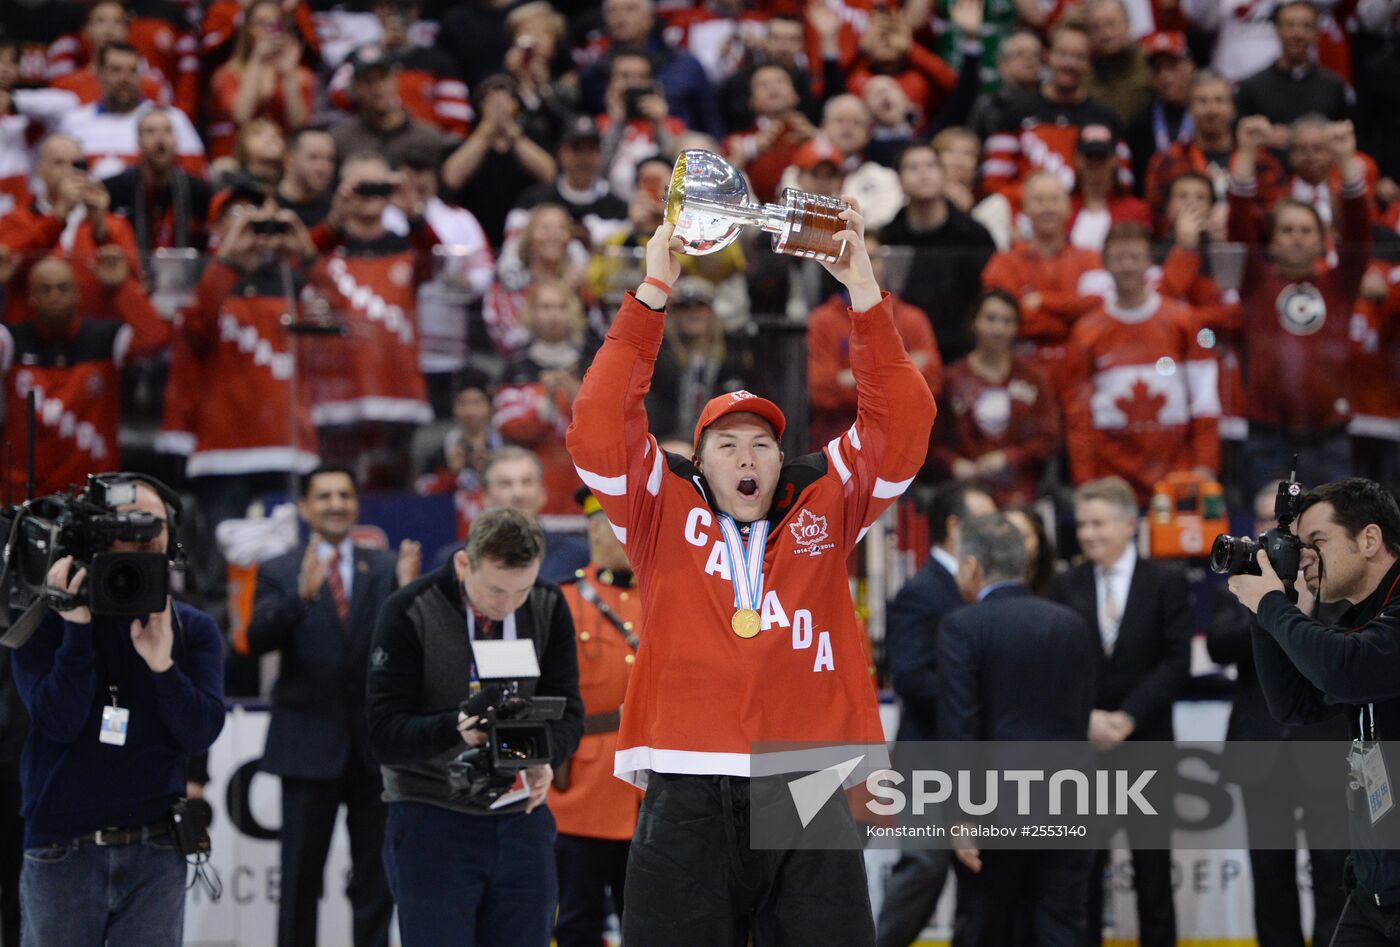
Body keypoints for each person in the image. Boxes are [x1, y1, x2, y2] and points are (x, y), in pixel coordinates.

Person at [566, 196, 935, 942]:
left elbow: (903, 423)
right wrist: (651, 295)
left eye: (762, 443)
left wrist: (862, 287)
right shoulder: (658, 510)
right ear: (698, 462)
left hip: (806, 782)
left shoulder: (825, 506)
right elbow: (600, 425)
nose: (746, 455)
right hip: (685, 778)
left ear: (783, 456)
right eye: (726, 443)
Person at [13, 476, 224, 946]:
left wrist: (163, 667)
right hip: (61, 849)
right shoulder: (42, 622)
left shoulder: (193, 629)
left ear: (173, 540)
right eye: (119, 529)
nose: (135, 541)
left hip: (156, 851)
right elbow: (57, 722)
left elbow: (201, 734)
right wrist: (76, 632)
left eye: (150, 528)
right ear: (93, 536)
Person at [366, 507, 584, 947]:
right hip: (431, 816)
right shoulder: (409, 610)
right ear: (464, 563)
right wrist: (456, 729)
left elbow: (569, 712)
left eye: (520, 589)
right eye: (497, 591)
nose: (508, 605)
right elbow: (385, 735)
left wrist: (542, 760)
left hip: (522, 819)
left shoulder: (546, 602)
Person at [247, 465, 419, 947]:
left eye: (344, 494)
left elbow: (410, 653)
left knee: (375, 882)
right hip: (306, 748)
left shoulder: (385, 566)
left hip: (372, 752)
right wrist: (300, 597)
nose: (336, 504)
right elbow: (255, 640)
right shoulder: (280, 569)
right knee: (300, 880)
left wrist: (409, 597)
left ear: (356, 504)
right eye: (324, 496)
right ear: (305, 507)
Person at [1226, 478, 1400, 941]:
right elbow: (1294, 705)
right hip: (1375, 888)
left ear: (1369, 539)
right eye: (1299, 545)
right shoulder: (1363, 622)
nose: (1303, 557)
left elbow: (1346, 671)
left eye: (1317, 542)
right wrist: (1269, 606)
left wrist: (1270, 606)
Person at [938, 513, 1097, 945]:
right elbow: (1081, 715)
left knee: (986, 929)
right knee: (1060, 931)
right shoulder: (1070, 622)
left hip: (994, 807)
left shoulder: (962, 627)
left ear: (972, 566)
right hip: (1071, 799)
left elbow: (961, 725)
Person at [1049, 476, 1189, 947]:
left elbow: (1176, 662)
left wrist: (1126, 718)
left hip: (1147, 748)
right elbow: (1053, 665)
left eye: (1098, 523)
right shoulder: (1062, 584)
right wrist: (1085, 718)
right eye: (1083, 524)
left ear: (1130, 524)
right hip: (1081, 754)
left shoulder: (1166, 581)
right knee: (1082, 878)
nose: (1088, 534)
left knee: (1153, 878)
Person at [1207, 481, 1347, 947]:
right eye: (1267, 518)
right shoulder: (1241, 576)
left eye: (1284, 519)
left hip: (1327, 753)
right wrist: (1267, 605)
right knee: (1270, 880)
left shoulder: (1331, 578)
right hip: (1261, 747)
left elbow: (1350, 649)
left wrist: (1300, 611)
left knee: (1335, 877)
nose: (1275, 529)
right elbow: (1217, 644)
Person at [877, 483, 996, 947]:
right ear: (956, 526)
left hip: (976, 755)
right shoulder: (920, 592)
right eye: (987, 520)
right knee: (924, 867)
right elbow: (910, 677)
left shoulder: (985, 587)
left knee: (979, 874)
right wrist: (977, 699)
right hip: (928, 753)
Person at [1228, 116, 1370, 497]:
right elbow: (1237, 228)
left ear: (1323, 240)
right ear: (1272, 241)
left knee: (1334, 539)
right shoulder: (1256, 282)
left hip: (1330, 438)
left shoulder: (1339, 284)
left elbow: (1359, 231)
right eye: (1287, 230)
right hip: (1268, 438)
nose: (1295, 238)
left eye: (1305, 230)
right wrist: (1245, 152)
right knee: (1267, 539)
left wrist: (1345, 160)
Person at [1061, 222, 1220, 504]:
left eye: (1135, 257)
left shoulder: (1184, 321)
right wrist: (1085, 480)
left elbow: (1205, 401)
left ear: (1149, 261)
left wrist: (1205, 466)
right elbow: (1078, 414)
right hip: (1112, 481)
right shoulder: (1086, 331)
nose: (1127, 266)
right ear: (1105, 263)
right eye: (1119, 258)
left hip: (1178, 478)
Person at [551, 487, 644, 947]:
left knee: (651, 924)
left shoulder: (667, 597)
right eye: (616, 525)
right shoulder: (562, 603)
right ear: (593, 528)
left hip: (653, 794)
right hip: (582, 794)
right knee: (576, 924)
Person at [1, 255, 169, 499]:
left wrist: (122, 287)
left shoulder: (106, 339)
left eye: (63, 288)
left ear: (78, 294)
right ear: (31, 298)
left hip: (91, 497)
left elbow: (156, 338)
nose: (54, 296)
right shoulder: (12, 340)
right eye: (45, 289)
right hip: (24, 498)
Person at [931, 291, 1059, 506]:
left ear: (1017, 327)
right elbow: (933, 442)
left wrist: (1009, 458)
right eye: (990, 319)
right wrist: (955, 464)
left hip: (1021, 494)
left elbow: (1049, 438)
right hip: (967, 492)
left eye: (1007, 321)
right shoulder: (952, 378)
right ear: (974, 322)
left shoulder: (1034, 377)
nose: (998, 329)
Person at [878, 142, 996, 362]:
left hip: (963, 349)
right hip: (904, 348)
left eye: (931, 166)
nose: (923, 174)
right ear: (899, 181)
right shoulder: (887, 237)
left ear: (944, 176)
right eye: (912, 167)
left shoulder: (974, 235)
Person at [56, 42, 204, 181]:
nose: (125, 78)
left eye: (132, 70)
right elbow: (57, 176)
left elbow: (195, 176)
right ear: (99, 74)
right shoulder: (74, 122)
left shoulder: (170, 119)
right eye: (116, 70)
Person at [207, 0, 314, 160]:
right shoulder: (228, 73)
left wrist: (289, 75)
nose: (269, 30)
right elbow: (241, 116)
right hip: (237, 157)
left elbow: (298, 125)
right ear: (249, 29)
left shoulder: (299, 73)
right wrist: (258, 58)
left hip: (282, 156)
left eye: (275, 23)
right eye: (262, 23)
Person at [103, 108, 213, 260]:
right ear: (138, 142)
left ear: (176, 141)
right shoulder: (114, 190)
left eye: (167, 131)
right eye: (150, 131)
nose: (160, 139)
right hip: (134, 276)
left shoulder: (199, 191)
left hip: (185, 277)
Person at [1234, 0, 1351, 135]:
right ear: (1276, 30)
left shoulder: (1333, 87)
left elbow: (1345, 135)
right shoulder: (1252, 87)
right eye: (1290, 25)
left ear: (1317, 33)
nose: (1297, 34)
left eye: (1306, 26)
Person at [1082, 0, 1153, 127]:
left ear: (1127, 24)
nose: (1105, 34)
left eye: (1111, 24)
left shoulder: (1150, 62)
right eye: (1096, 27)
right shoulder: (1084, 72)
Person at [277, 127, 337, 227]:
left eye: (330, 159)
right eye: (313, 157)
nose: (323, 168)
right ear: (289, 161)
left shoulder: (335, 210)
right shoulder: (265, 205)